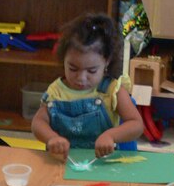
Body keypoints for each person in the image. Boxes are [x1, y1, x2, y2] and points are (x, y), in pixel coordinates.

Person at [31, 12, 143, 159]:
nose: (81, 78)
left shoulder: (111, 90)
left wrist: (111, 136)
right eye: (73, 68)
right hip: (64, 162)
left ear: (106, 62)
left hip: (104, 164)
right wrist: (51, 138)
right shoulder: (57, 91)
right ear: (63, 59)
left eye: (91, 71)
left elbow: (136, 124)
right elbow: (38, 122)